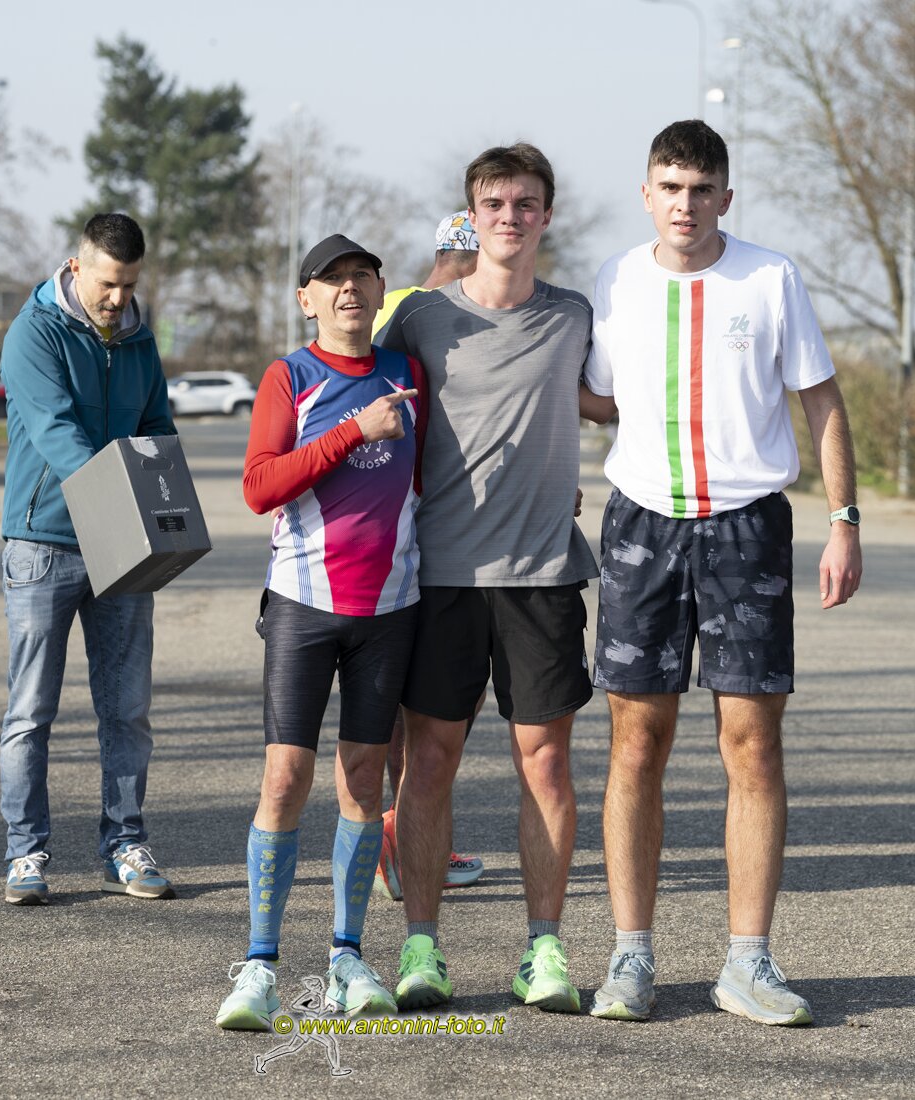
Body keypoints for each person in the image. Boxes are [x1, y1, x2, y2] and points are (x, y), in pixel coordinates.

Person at [579, 120, 863, 1026]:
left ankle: (749, 962)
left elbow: (821, 399)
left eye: (702, 189)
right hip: (642, 526)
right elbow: (596, 399)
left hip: (747, 528)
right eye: (670, 187)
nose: (686, 204)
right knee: (637, 742)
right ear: (646, 195)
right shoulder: (616, 281)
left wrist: (845, 521)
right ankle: (630, 956)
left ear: (726, 198)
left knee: (753, 744)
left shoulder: (771, 278)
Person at [377, 144, 597, 1015]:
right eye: (495, 204)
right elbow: (357, 392)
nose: (511, 217)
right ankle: (421, 948)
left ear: (548, 214)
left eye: (526, 203)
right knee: (429, 761)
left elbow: (621, 400)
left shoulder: (574, 316)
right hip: (442, 575)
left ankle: (543, 949)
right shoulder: (422, 318)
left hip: (543, 575)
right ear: (473, 217)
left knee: (546, 764)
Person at [215, 235, 427, 1031]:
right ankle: (260, 966)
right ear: (306, 299)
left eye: (360, 277)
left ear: (380, 291)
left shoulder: (407, 375)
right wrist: (351, 432)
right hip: (303, 604)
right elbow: (258, 487)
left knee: (365, 782)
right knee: (284, 779)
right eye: (331, 280)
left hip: (390, 608)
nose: (347, 290)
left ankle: (347, 956)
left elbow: (434, 478)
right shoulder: (291, 376)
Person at [0, 213, 179, 906]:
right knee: (31, 711)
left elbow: (155, 426)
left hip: (123, 545)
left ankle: (125, 844)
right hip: (43, 542)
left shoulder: (139, 338)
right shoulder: (33, 333)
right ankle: (25, 853)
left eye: (129, 285)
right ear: (77, 268)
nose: (117, 298)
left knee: (127, 709)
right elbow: (57, 433)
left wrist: (165, 501)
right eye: (107, 283)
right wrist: (122, 501)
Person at [371, 211, 485, 901]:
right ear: (471, 256)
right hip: (439, 522)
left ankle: (405, 829)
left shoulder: (390, 306)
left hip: (398, 522)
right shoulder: (445, 315)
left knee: (407, 695)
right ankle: (406, 833)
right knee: (441, 697)